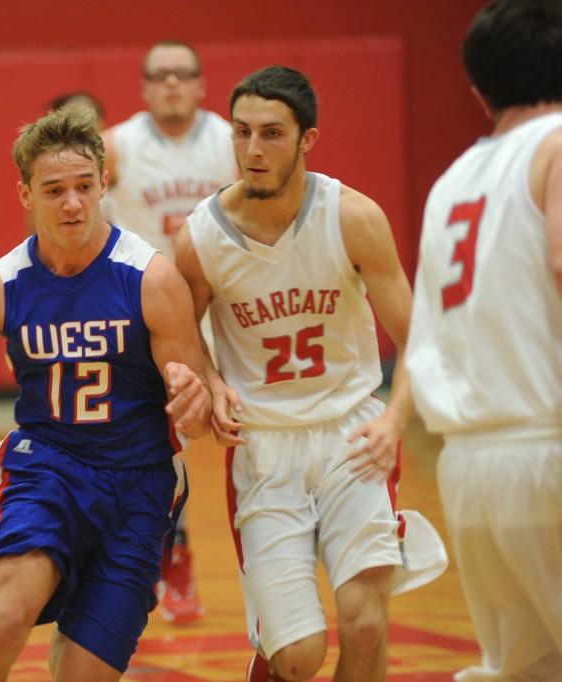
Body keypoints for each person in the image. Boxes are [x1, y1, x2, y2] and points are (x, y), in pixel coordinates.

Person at [0, 104, 214, 681]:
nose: (72, 203)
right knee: (9, 614)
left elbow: (192, 411)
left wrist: (196, 400)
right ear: (25, 194)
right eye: (55, 189)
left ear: (103, 184)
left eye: (84, 187)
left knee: (81, 673)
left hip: (140, 484)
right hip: (47, 471)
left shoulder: (151, 277)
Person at [174, 66, 446, 681]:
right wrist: (213, 384)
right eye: (241, 133)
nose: (253, 149)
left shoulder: (353, 217)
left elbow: (418, 336)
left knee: (366, 622)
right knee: (297, 658)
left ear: (307, 140)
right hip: (264, 448)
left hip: (352, 432)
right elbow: (183, 337)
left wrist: (396, 419)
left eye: (271, 134)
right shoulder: (199, 239)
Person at [404, 1, 562, 679]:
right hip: (547, 441)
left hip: (470, 468)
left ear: (477, 90)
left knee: (523, 667)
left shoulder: (450, 183)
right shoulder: (558, 143)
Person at [102, 38, 240, 624]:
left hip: (225, 308)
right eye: (160, 76)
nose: (172, 85)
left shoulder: (231, 140)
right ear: (144, 87)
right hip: (150, 316)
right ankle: (170, 557)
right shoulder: (119, 146)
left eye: (183, 75)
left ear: (201, 83)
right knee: (162, 441)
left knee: (245, 431)